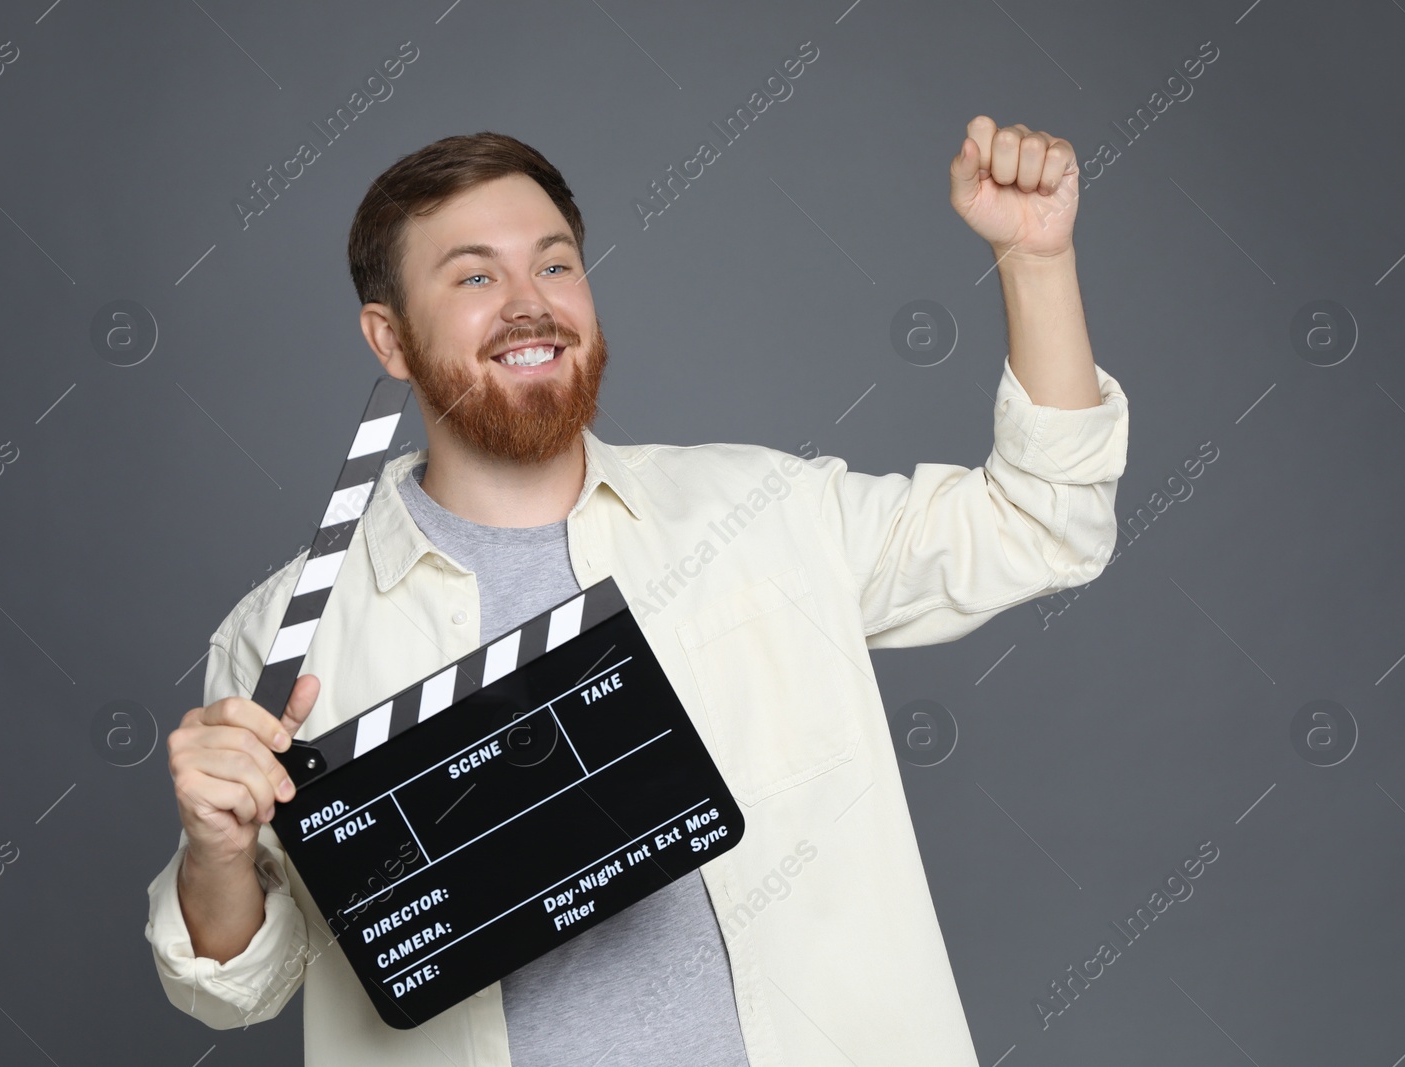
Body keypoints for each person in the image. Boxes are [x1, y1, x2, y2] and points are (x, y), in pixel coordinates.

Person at [143, 120, 1129, 1065]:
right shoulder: (284, 637)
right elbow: (233, 987)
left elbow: (1042, 525)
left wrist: (1035, 260)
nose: (530, 300)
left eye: (555, 262)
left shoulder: (765, 511)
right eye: (475, 274)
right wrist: (215, 854)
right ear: (389, 340)